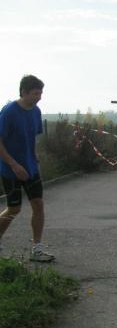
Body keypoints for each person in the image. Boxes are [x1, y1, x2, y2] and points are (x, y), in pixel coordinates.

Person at [0, 75, 54, 262]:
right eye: (35, 93)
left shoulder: (36, 112)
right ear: (24, 92)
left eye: (41, 93)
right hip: (10, 169)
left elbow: (32, 138)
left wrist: (34, 158)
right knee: (14, 209)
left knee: (38, 205)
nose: (39, 97)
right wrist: (14, 165)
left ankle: (37, 249)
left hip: (30, 168)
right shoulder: (9, 112)